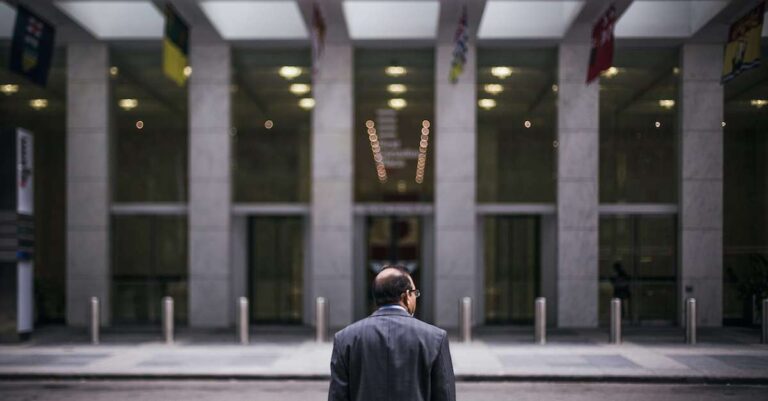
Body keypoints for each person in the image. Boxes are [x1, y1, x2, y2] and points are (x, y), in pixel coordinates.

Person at [328, 265, 455, 401]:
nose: (415, 298)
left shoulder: (345, 338)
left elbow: (337, 397)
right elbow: (445, 396)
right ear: (406, 296)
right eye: (414, 293)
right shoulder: (435, 338)